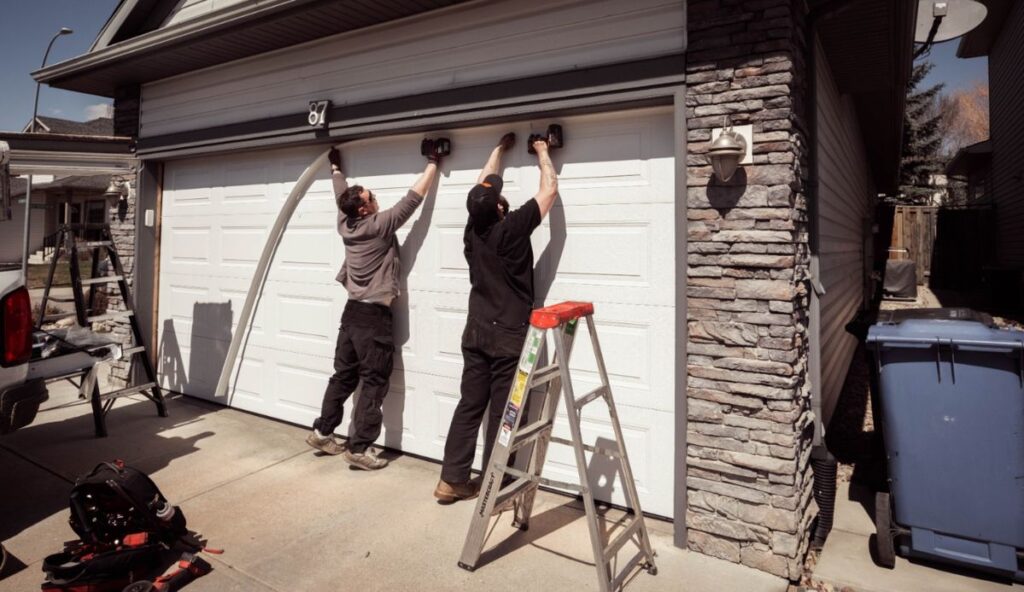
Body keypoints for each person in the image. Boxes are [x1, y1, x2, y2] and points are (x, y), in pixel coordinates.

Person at [435, 132, 559, 502]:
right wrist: (542, 150)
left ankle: (451, 480)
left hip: (476, 332)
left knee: (470, 405)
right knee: (505, 413)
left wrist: (497, 151)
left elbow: (481, 188)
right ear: (501, 210)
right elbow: (549, 190)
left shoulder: (473, 232)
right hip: (507, 336)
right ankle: (495, 486)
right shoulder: (512, 230)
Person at [307, 144, 443, 470]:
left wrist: (336, 170)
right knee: (374, 381)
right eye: (371, 197)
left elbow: (340, 194)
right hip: (373, 319)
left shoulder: (346, 222)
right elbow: (413, 199)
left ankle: (323, 431)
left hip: (352, 313)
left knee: (343, 375)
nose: (376, 197)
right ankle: (359, 448)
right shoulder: (379, 226)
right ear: (364, 209)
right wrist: (433, 162)